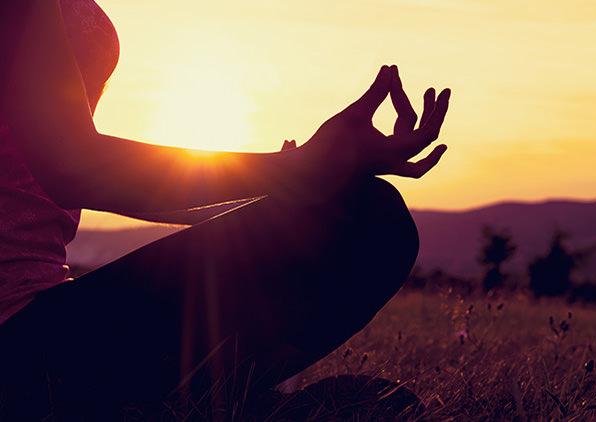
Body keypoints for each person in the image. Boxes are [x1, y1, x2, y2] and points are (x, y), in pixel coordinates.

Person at [0, 0, 450, 418]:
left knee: (351, 215)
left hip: (41, 315)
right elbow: (74, 166)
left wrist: (288, 189)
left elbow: (60, 173)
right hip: (16, 343)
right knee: (366, 220)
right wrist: (297, 167)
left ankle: (184, 402)